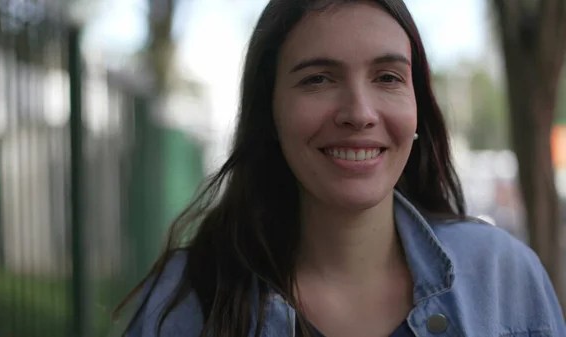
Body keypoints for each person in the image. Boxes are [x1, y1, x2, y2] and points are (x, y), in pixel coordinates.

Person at [119, 0, 566, 336]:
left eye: (387, 77)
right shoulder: (187, 300)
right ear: (269, 113)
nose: (359, 112)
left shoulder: (504, 279)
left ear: (418, 108)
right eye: (318, 79)